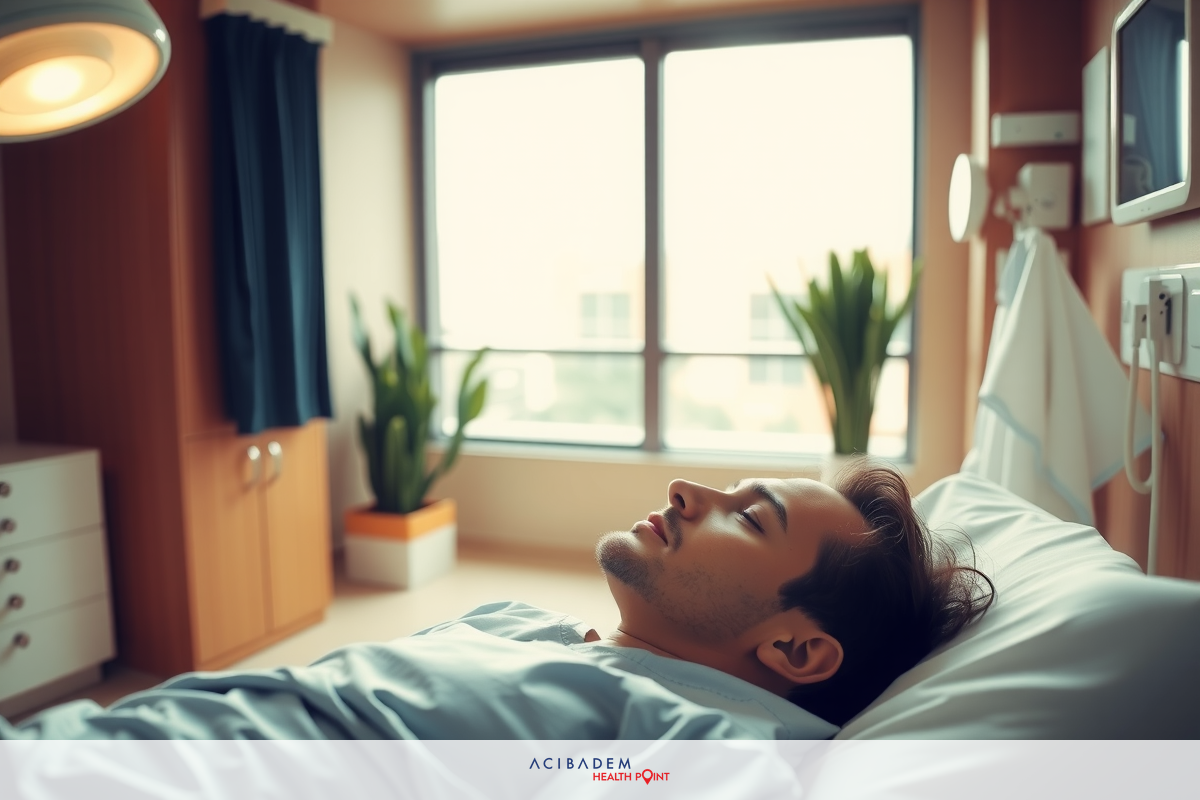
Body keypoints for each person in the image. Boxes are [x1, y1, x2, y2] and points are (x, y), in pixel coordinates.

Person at [2, 459, 992, 740]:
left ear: (797, 650)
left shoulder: (691, 741)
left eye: (751, 512)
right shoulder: (519, 619)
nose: (691, 486)